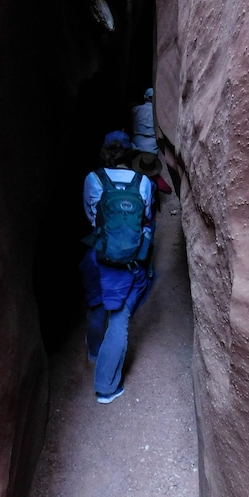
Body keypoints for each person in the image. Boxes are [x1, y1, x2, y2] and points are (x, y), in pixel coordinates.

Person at [80, 130, 154, 404]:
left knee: (97, 303)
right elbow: (145, 218)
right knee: (120, 319)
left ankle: (95, 353)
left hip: (99, 254)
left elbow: (90, 214)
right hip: (128, 261)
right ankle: (106, 387)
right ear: (131, 153)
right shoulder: (143, 182)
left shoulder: (93, 178)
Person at [130, 87, 158, 154]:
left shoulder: (135, 109)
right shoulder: (158, 112)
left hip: (136, 142)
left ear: (145, 97)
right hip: (153, 144)